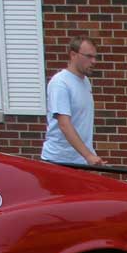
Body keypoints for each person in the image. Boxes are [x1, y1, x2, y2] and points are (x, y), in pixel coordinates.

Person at [41, 36, 103, 166]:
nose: (94, 61)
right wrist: (89, 156)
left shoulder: (85, 81)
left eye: (95, 57)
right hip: (60, 161)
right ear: (73, 55)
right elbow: (64, 124)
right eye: (89, 56)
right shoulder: (60, 83)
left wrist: (89, 154)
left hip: (81, 160)